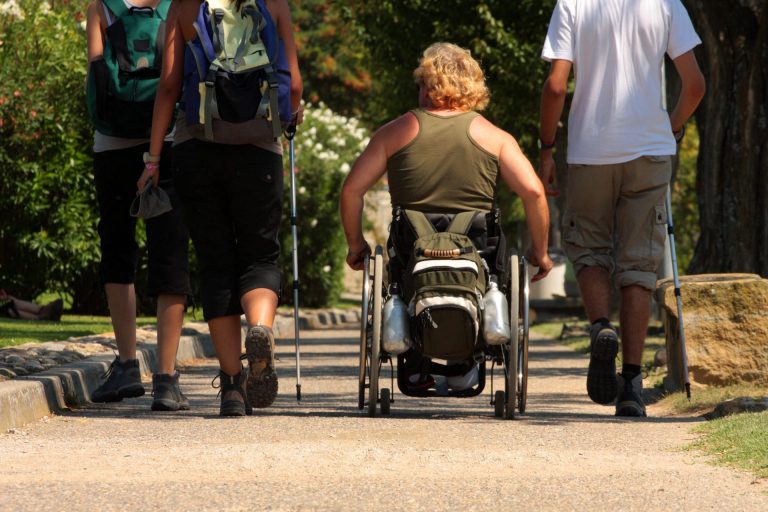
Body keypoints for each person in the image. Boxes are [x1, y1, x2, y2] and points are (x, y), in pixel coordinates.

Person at [341, 43, 554, 387]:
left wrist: (356, 246)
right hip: (477, 254)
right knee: (494, 260)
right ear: (472, 86)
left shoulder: (395, 132)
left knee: (399, 267)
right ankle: (469, 354)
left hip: (412, 253)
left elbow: (351, 191)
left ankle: (413, 354)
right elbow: (533, 192)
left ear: (426, 86)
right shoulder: (495, 137)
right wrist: (540, 253)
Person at [539, 0, 706, 416]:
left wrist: (545, 148)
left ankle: (600, 329)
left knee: (589, 249)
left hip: (590, 150)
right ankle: (631, 385)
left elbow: (556, 86)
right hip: (649, 151)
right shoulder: (667, 4)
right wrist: (671, 126)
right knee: (639, 265)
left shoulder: (572, 5)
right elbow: (695, 84)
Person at [144, 0, 303, 417]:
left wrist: (154, 158)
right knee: (260, 254)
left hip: (198, 146)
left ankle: (233, 387)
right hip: (258, 148)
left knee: (216, 263)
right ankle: (261, 329)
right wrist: (289, 115)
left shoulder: (183, 7)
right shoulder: (273, 5)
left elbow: (167, 86)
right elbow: (295, 84)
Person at [86, 0, 192, 411]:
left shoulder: (102, 7)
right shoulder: (176, 8)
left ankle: (128, 364)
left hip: (111, 143)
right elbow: (175, 76)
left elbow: (97, 73)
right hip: (165, 143)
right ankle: (166, 377)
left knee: (117, 246)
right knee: (170, 250)